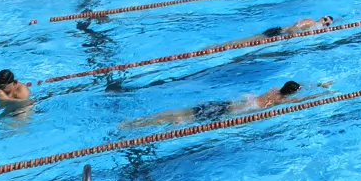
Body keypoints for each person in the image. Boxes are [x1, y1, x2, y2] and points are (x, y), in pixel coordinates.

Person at [123, 81, 303, 130]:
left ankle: (137, 121)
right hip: (228, 111)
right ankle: (140, 126)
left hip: (227, 103)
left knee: (179, 112)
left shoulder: (272, 90)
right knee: (182, 119)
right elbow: (299, 101)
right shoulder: (279, 101)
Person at [262, 16, 334, 39]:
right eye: (325, 20)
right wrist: (291, 37)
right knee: (257, 38)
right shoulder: (311, 21)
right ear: (321, 18)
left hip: (281, 34)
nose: (325, 22)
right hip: (278, 31)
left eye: (327, 24)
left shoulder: (316, 27)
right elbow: (293, 29)